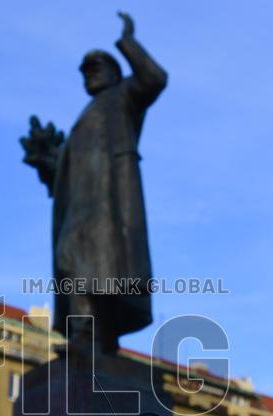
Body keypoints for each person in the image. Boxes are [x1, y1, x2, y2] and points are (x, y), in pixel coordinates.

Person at [22, 12, 167, 354]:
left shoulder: (123, 98)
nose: (91, 72)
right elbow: (67, 176)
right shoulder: (85, 118)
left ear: (116, 72)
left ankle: (91, 334)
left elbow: (155, 78)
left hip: (109, 205)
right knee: (75, 261)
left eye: (98, 66)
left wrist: (127, 41)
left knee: (91, 263)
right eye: (86, 70)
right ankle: (94, 337)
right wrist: (49, 165)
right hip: (81, 209)